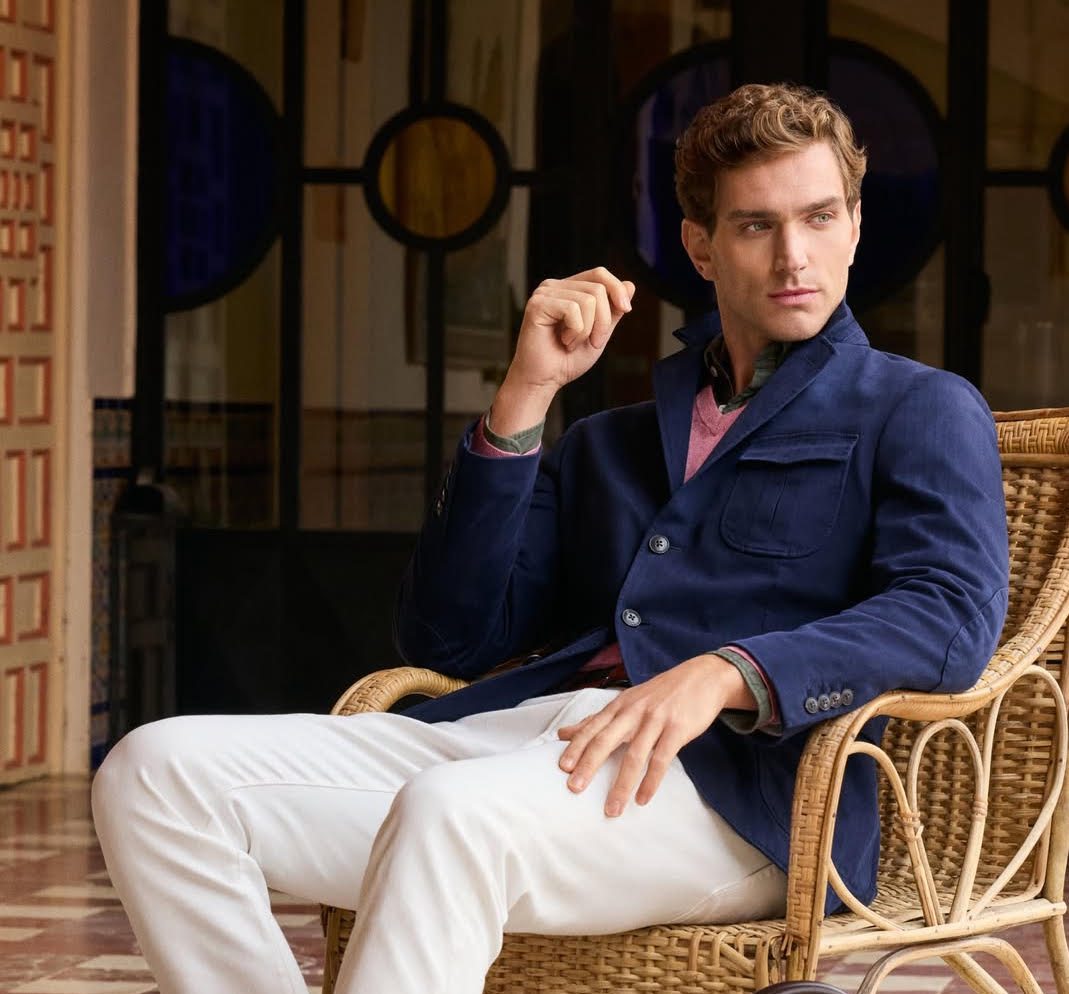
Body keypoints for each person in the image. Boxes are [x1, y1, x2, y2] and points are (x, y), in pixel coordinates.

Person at [92, 82, 1009, 994]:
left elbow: (948, 614)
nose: (792, 256)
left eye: (818, 217)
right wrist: (525, 398)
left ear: (853, 224)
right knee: (155, 773)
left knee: (450, 816)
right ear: (700, 245)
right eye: (755, 226)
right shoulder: (609, 439)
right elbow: (449, 638)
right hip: (519, 745)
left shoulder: (917, 408)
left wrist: (729, 672)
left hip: (737, 796)